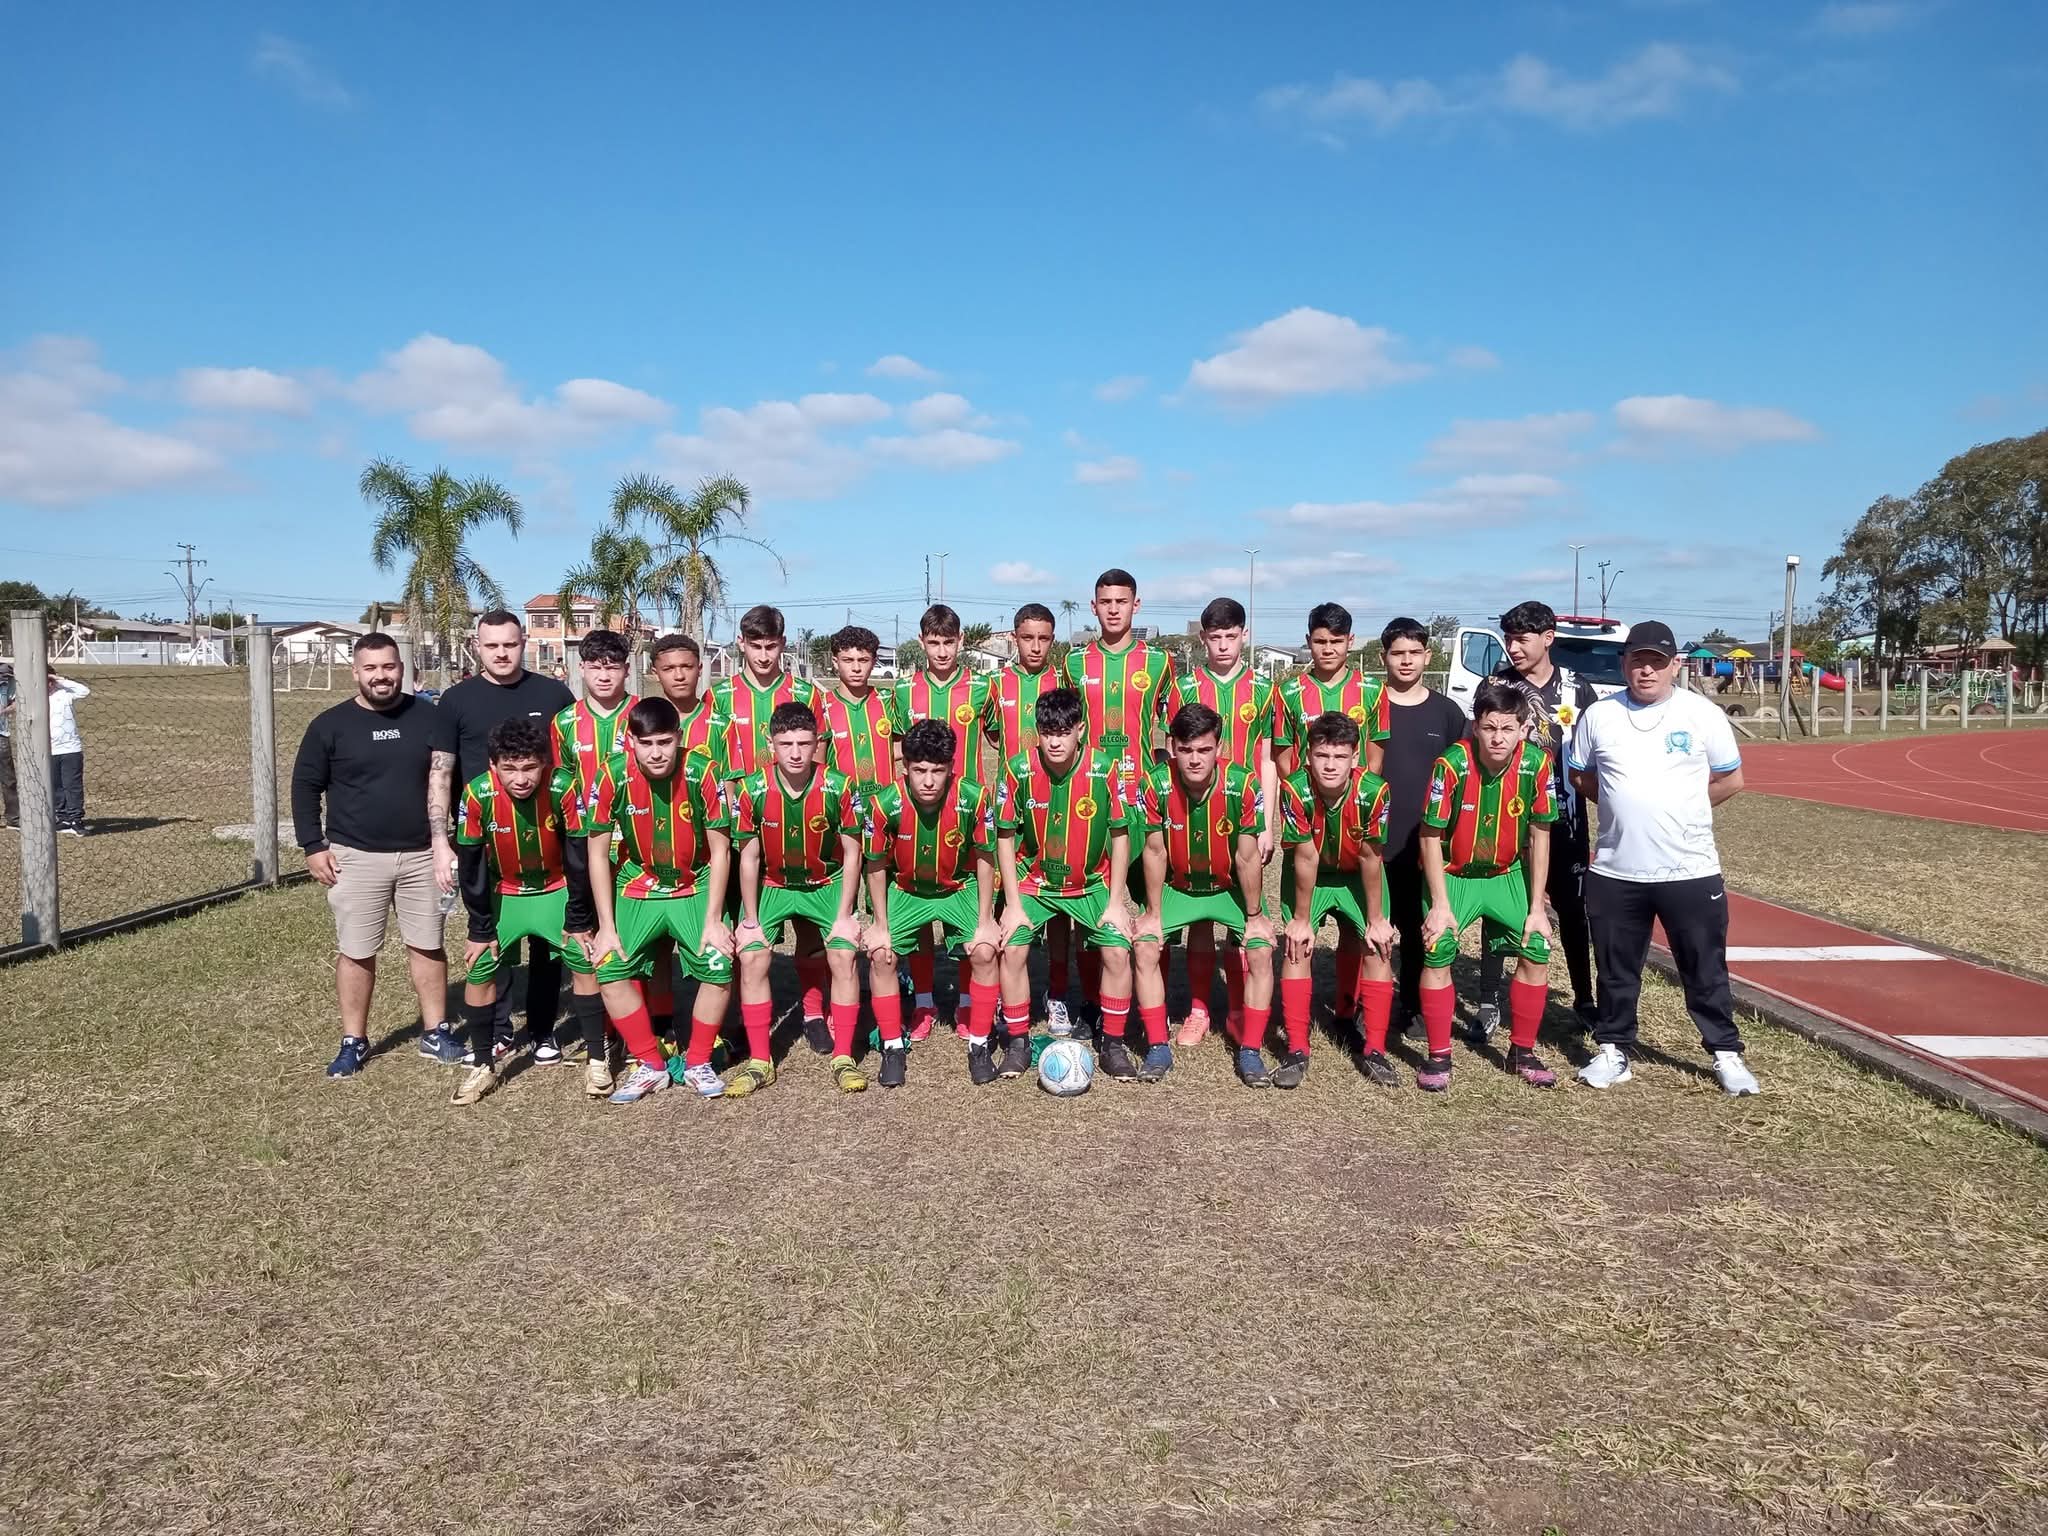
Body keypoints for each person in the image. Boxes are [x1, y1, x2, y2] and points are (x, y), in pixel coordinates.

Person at [1567, 621, 1758, 1096]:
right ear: (1624, 664)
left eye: (1657, 661)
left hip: (1689, 869)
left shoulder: (1703, 714)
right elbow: (1582, 779)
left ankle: (1725, 1053)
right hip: (1615, 870)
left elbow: (1730, 780)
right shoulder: (1599, 716)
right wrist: (1622, 807)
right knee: (1615, 966)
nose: (1646, 669)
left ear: (1675, 665)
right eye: (1637, 660)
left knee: (1703, 965)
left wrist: (1684, 812)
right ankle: (1613, 1050)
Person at [291, 632, 461, 1076]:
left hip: (423, 854)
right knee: (357, 950)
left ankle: (435, 1031)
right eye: (371, 668)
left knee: (428, 945)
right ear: (356, 672)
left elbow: (449, 779)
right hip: (356, 855)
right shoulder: (329, 725)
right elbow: (305, 787)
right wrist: (313, 846)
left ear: (401, 669)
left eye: (389, 667)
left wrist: (449, 841)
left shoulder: (430, 717)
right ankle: (354, 1040)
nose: (381, 676)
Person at [581, 696, 738, 1104]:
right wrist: (607, 927)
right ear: (630, 741)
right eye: (646, 743)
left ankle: (698, 1061)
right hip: (639, 885)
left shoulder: (704, 771)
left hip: (694, 883)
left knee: (720, 963)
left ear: (679, 738)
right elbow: (597, 854)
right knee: (609, 967)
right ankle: (650, 1064)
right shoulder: (611, 775)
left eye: (665, 742)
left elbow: (722, 851)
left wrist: (714, 919)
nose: (656, 753)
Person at [436, 610, 575, 1063]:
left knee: (546, 942)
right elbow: (442, 770)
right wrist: (442, 840)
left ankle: (541, 1029)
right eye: (492, 644)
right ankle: (497, 1027)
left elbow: (567, 765)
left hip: (546, 836)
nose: (501, 652)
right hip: (486, 837)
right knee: (492, 935)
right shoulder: (456, 700)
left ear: (525, 642)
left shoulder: (553, 693)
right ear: (478, 645)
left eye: (510, 644)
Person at [448, 717, 605, 1105]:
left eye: (530, 767)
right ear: (493, 766)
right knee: (480, 966)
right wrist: (481, 926)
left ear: (545, 764)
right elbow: (471, 865)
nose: (520, 778)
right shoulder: (476, 794)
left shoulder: (563, 785)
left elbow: (578, 854)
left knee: (585, 961)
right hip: (507, 891)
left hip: (555, 888)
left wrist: (579, 917)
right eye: (510, 768)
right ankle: (483, 1065)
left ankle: (598, 1059)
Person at [1416, 678, 1561, 1094]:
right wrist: (1440, 904)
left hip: (1504, 876)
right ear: (1476, 727)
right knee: (1438, 947)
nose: (1498, 738)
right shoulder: (1452, 763)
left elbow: (1540, 834)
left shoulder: (1537, 764)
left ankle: (1523, 1052)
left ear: (1523, 729)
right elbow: (1428, 835)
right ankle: (1439, 1056)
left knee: (1536, 947)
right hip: (1455, 875)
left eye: (1508, 729)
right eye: (1490, 727)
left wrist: (1537, 907)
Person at [995, 687, 1138, 1081]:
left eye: (1063, 731)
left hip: (1091, 884)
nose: (1055, 740)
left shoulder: (1105, 768)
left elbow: (1121, 834)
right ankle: (1018, 1042)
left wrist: (1115, 902)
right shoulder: (1016, 768)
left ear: (1080, 729)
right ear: (1036, 731)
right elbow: (1004, 837)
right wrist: (1013, 903)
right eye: (1046, 731)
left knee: (1116, 951)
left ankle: (1113, 1044)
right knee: (1012, 948)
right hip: (1035, 883)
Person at [1133, 703, 1275, 1083]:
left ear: (1219, 746)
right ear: (1173, 746)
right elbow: (1154, 850)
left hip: (1226, 887)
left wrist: (1255, 915)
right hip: (1180, 888)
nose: (1194, 760)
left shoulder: (1243, 783)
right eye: (1185, 749)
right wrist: (1153, 911)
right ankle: (1158, 1047)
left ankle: (1250, 1050)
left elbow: (1247, 858)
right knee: (1145, 944)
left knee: (1260, 950)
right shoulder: (1155, 783)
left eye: (1204, 749)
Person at [1161, 598, 1282, 1047]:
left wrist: (1266, 822)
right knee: (1198, 915)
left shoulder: (1265, 688)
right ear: (1203, 639)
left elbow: (1268, 758)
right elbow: (1171, 752)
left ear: (1244, 636)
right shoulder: (1184, 685)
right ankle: (1197, 1008)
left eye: (1232, 636)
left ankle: (1236, 1006)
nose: (1224, 645)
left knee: (1242, 914)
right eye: (1216, 637)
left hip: (1244, 815)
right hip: (1195, 815)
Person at [732, 702, 866, 1094]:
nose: (794, 752)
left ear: (817, 744)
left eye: (804, 743)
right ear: (769, 743)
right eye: (785, 743)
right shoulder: (753, 788)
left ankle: (844, 1054)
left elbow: (853, 852)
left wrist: (844, 914)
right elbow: (750, 857)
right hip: (774, 886)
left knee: (843, 953)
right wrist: (751, 919)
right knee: (753, 954)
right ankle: (760, 1060)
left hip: (825, 884)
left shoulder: (839, 786)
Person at [862, 719, 1002, 1089]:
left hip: (958, 887)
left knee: (986, 950)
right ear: (904, 767)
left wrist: (986, 919)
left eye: (937, 771)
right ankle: (893, 1045)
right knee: (881, 954)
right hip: (907, 890)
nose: (928, 781)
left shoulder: (974, 797)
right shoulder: (883, 803)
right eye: (919, 770)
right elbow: (875, 864)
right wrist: (880, 923)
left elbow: (986, 858)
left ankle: (980, 1043)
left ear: (951, 768)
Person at [1277, 603, 1390, 1038]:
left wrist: (1353, 805)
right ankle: (1296, 1031)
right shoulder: (1288, 693)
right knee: (1298, 934)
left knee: (1354, 930)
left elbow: (1375, 758)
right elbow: (1284, 758)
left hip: (1354, 818)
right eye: (1320, 641)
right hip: (1307, 814)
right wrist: (1304, 801)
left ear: (1350, 642)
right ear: (1309, 641)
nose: (1327, 650)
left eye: (1336, 642)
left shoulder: (1371, 692)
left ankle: (1348, 1009)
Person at [1063, 569, 1170, 1030]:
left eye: (1121, 601)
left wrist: (1160, 774)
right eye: (1104, 601)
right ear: (1093, 607)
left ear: (1136, 605)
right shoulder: (1072, 663)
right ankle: (1091, 1002)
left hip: (1141, 798)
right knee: (1093, 902)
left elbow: (1172, 728)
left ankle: (1155, 1006)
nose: (1112, 608)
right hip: (1092, 801)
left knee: (1150, 904)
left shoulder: (1160, 663)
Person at [1488, 600, 1601, 1037]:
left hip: (1566, 820)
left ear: (1548, 638)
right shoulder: (1495, 685)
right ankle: (1491, 999)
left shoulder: (1578, 688)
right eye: (1509, 639)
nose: (1513, 647)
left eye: (1522, 639)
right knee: (1502, 911)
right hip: (1508, 820)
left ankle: (1584, 999)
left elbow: (1595, 756)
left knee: (1574, 911)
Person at [1274, 713, 1394, 1090]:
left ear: (1355, 758)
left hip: (1358, 874)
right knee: (1297, 945)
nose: (1330, 765)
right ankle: (1296, 1049)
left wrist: (1376, 920)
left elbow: (1371, 857)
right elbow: (1305, 857)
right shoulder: (1294, 788)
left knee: (1377, 945)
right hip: (1311, 874)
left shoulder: (1375, 791)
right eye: (1322, 755)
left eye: (1339, 757)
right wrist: (1301, 919)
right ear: (1307, 756)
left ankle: (1374, 1049)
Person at [1377, 617, 1468, 1038]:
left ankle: (1412, 1004)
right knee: (1373, 926)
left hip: (1425, 840)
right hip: (1376, 839)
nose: (1407, 661)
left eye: (1414, 653)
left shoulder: (1447, 713)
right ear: (1384, 658)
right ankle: (1368, 1005)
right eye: (1398, 653)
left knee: (1416, 929)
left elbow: (1462, 771)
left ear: (1428, 656)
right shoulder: (1371, 706)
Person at [992, 602, 1069, 1029]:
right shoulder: (995, 684)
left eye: (1043, 638)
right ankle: (1009, 997)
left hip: (1060, 803)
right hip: (1014, 803)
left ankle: (1057, 993)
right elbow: (989, 730)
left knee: (1059, 907)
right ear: (1013, 637)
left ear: (1052, 641)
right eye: (1027, 637)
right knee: (1012, 899)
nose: (1035, 646)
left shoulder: (1065, 681)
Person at [552, 627, 636, 808]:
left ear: (626, 669)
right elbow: (563, 780)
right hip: (586, 830)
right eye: (595, 668)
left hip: (637, 830)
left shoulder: (645, 713)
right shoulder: (563, 721)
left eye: (612, 668)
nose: (603, 677)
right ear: (582, 668)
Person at [817, 625, 895, 792]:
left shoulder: (889, 700)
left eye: (863, 660)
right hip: (844, 808)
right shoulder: (821, 707)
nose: (856, 668)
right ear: (835, 662)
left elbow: (903, 748)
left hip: (885, 806)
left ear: (874, 662)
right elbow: (817, 765)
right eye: (848, 660)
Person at [648, 631, 720, 765]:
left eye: (686, 667)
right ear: (656, 674)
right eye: (669, 668)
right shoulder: (637, 722)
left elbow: (730, 782)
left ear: (699, 669)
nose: (679, 676)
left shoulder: (723, 726)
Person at [46, 670, 90, 835]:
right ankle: (62, 817)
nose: (48, 685)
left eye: (49, 681)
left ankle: (76, 819)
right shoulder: (38, 697)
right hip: (50, 749)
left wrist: (59, 679)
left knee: (72, 785)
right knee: (56, 785)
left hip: (70, 748)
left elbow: (84, 691)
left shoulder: (65, 693)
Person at [0, 661, 18, 830]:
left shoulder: (7, 678)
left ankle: (13, 817)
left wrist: (4, 711)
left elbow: (16, 702)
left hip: (1, 734)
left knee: (8, 778)